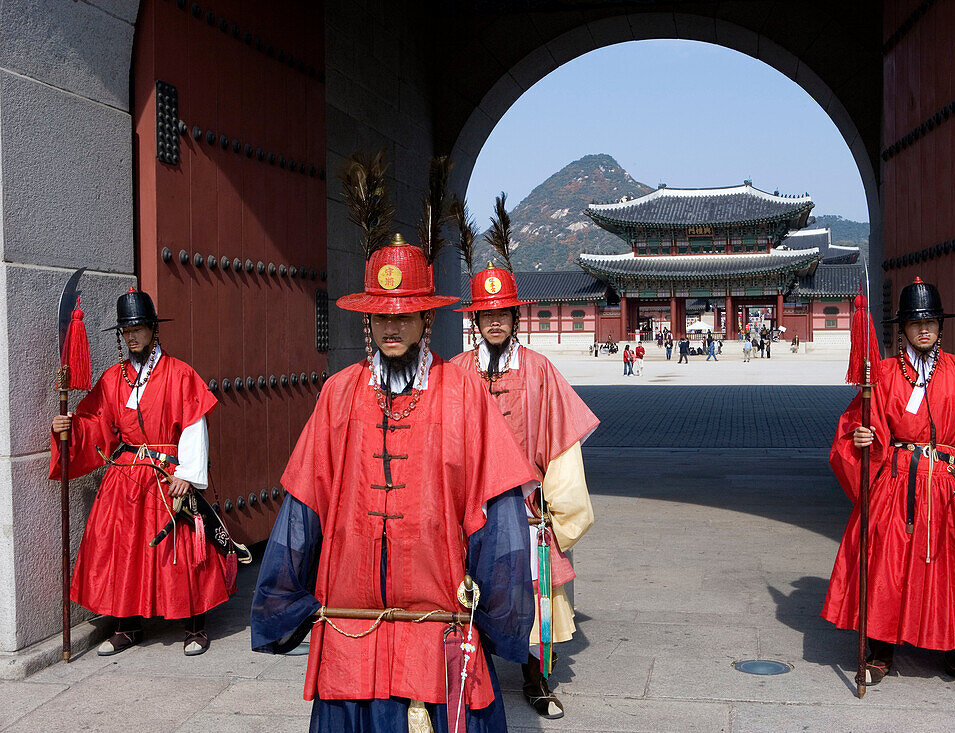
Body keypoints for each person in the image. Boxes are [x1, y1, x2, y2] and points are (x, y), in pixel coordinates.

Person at [251, 234, 537, 732]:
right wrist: (288, 600)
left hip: (439, 615)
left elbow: (499, 506)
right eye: (381, 316)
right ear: (368, 319)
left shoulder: (463, 394)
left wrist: (496, 611)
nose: (392, 327)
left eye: (404, 316)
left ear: (426, 318)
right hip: (349, 618)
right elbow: (305, 502)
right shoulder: (338, 394)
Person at [822, 277, 955, 691]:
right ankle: (881, 651)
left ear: (941, 326)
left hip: (945, 484)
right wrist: (863, 439)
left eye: (931, 321)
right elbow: (855, 428)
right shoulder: (885, 375)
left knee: (953, 568)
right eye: (915, 322)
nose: (924, 329)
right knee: (889, 566)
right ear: (902, 328)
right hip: (898, 482)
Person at [49, 288, 231, 656]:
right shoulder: (113, 379)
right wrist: (68, 427)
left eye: (137, 328)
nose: (131, 336)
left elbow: (195, 424)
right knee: (120, 548)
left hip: (169, 473)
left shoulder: (179, 374)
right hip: (127, 475)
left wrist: (189, 474)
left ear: (152, 329)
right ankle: (128, 626)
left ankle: (195, 626)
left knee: (180, 550)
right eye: (125, 330)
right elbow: (96, 422)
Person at [452, 265, 599, 720]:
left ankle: (536, 679)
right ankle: (476, 676)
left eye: (504, 313)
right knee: (470, 592)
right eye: (486, 314)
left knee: (534, 597)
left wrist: (559, 508)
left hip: (524, 504)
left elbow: (560, 441)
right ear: (475, 321)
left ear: (517, 317)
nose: (495, 322)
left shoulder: (538, 370)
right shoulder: (456, 371)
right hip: (469, 505)